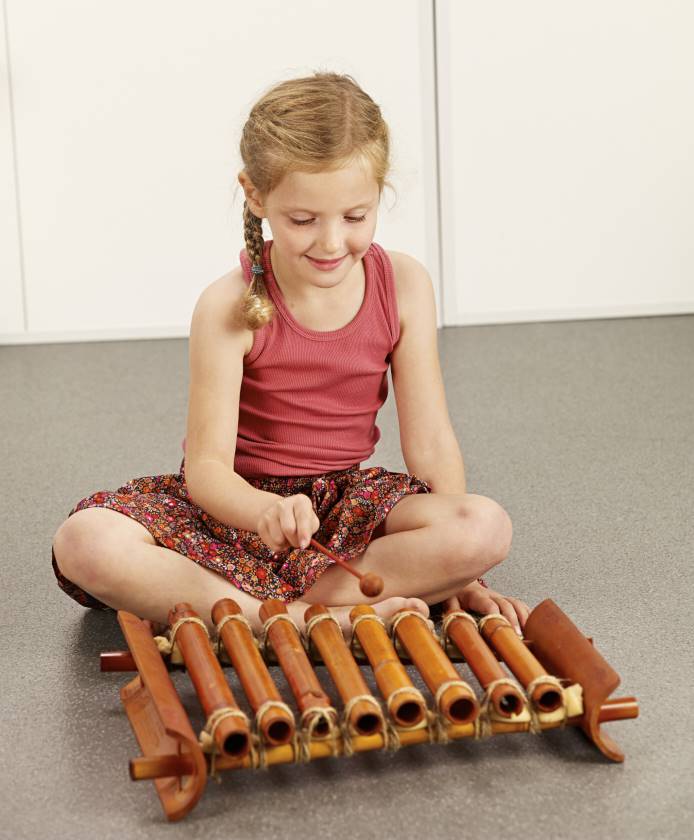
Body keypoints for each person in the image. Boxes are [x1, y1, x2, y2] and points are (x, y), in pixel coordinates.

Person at [51, 71, 529, 639]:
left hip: (346, 510)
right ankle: (294, 618)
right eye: (303, 220)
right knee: (84, 541)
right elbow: (207, 470)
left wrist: (459, 574)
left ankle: (249, 606)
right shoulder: (227, 305)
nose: (331, 243)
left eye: (355, 216)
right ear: (256, 195)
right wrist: (263, 512)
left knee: (484, 526)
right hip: (234, 512)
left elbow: (429, 444)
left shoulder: (404, 284)